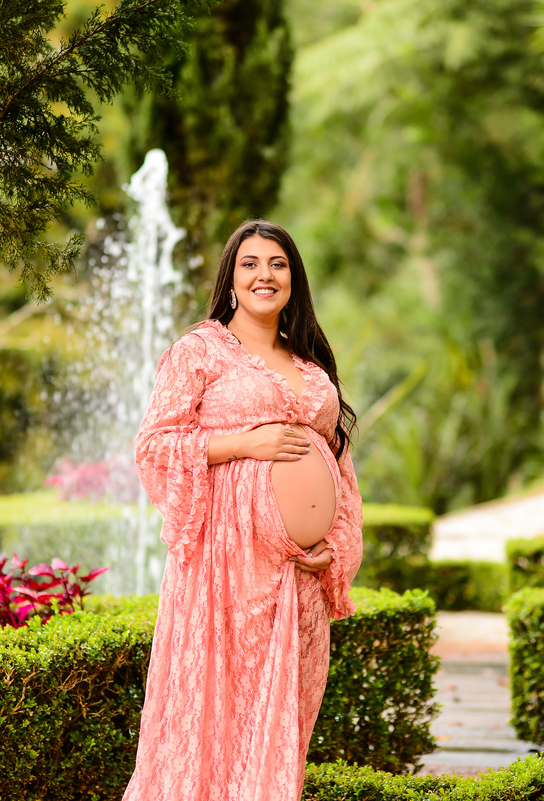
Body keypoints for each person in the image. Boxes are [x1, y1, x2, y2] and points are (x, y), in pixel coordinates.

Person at [122, 220, 363, 801]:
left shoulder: (309, 362)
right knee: (218, 721)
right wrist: (242, 444)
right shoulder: (199, 351)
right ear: (231, 278)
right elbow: (153, 447)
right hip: (225, 572)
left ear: (293, 279)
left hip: (298, 580)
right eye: (250, 263)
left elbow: (342, 468)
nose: (264, 275)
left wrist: (337, 542)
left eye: (278, 264)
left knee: (281, 732)